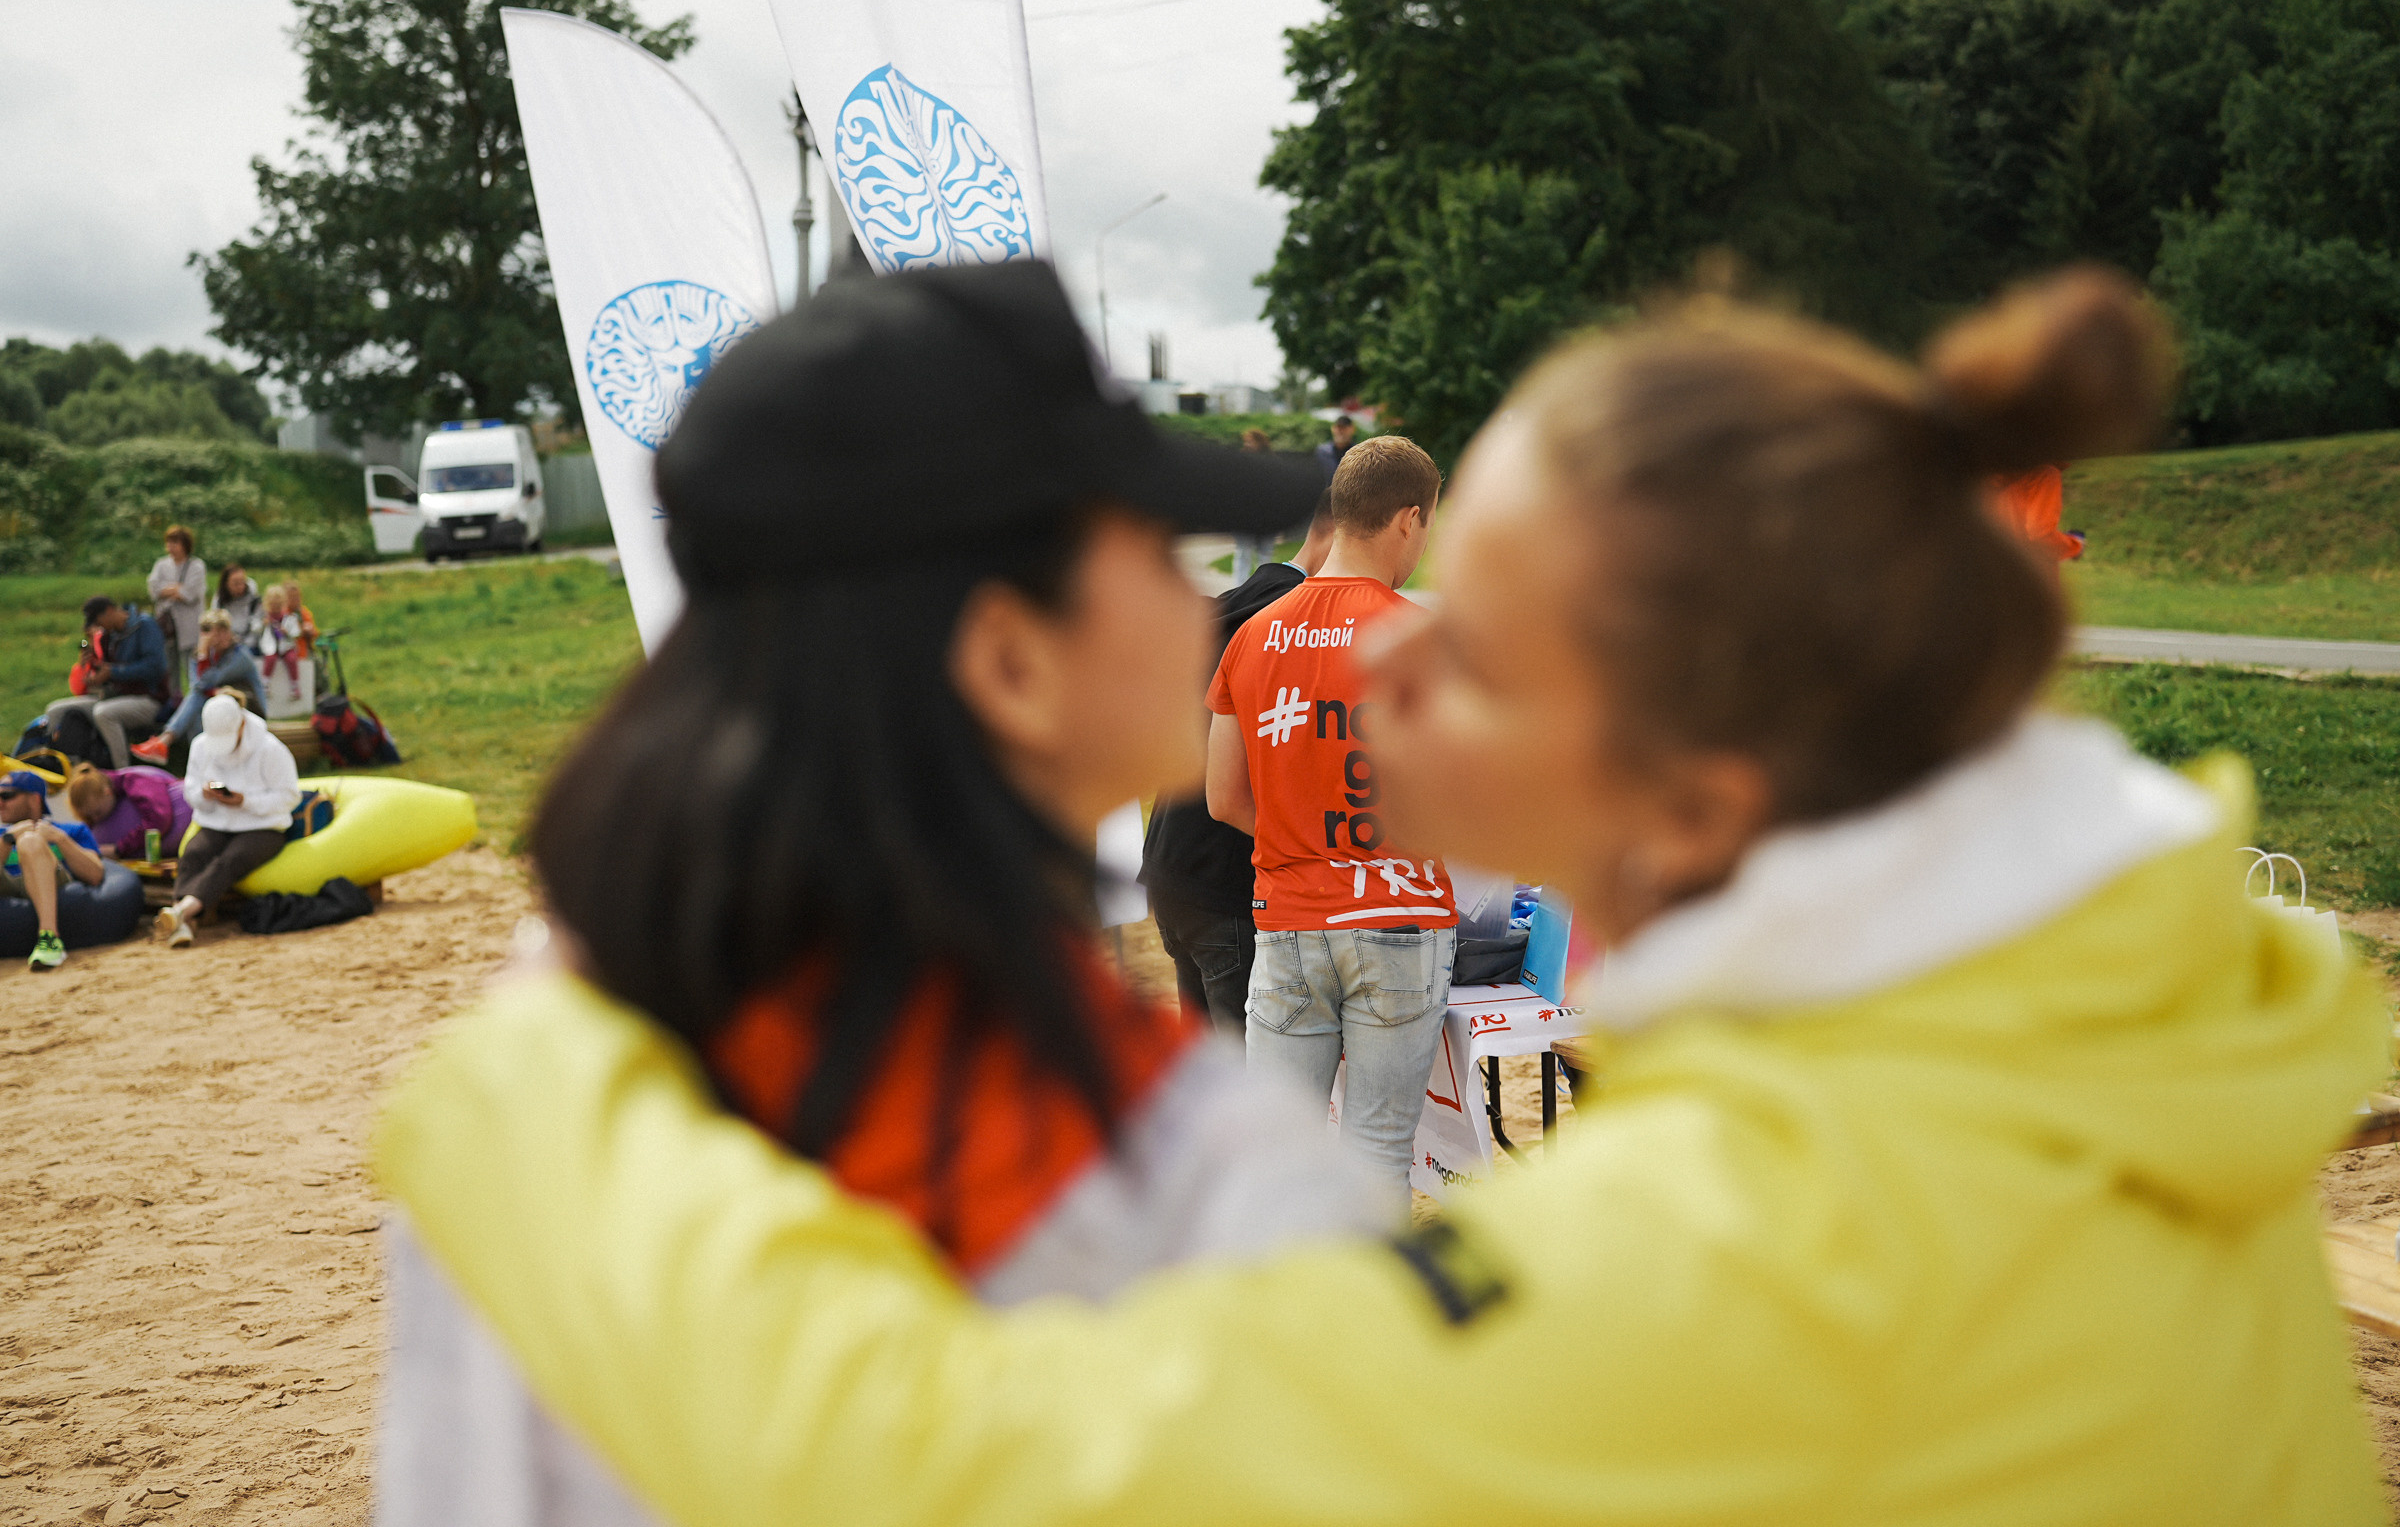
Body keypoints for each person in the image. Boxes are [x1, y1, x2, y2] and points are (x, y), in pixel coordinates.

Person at [376, 267, 2386, 1525]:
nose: (1379, 656)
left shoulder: (1768, 1238)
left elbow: (958, 1467)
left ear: (1698, 790)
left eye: (1477, 642)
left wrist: (529, 1100)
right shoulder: (2102, 1042)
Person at [370, 260, 1384, 1525]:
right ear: (1012, 660)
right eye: (1153, 547)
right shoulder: (1187, 1178)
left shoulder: (537, 1069)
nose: (1197, 602)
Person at [1206, 435, 1452, 1195]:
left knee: (1283, 1159)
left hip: (1288, 921)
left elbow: (1224, 798)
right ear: (1409, 519)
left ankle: (1290, 1310)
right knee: (1378, 1151)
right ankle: (1367, 1314)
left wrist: (1302, 834)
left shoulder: (1253, 633)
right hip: (1399, 916)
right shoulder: (1422, 639)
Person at [1143, 491, 1338, 1034]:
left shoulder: (1235, 600)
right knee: (1246, 1083)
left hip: (1172, 864)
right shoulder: (1294, 624)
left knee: (1211, 1080)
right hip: (1223, 874)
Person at [159, 694, 299, 949]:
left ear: (242, 724)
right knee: (194, 853)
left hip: (263, 827)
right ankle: (185, 923)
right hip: (217, 822)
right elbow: (190, 791)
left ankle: (182, 911)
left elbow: (289, 797)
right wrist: (205, 794)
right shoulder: (201, 746)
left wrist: (245, 801)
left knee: (231, 860)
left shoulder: (270, 748)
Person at [129, 609, 265, 766]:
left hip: (250, 708)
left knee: (197, 697)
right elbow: (198, 685)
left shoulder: (241, 655)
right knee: (196, 716)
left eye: (225, 630)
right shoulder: (201, 655)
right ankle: (203, 766)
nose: (223, 637)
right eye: (217, 633)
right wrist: (204, 662)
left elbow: (205, 683)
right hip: (220, 707)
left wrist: (203, 656)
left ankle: (165, 741)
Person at [0, 769, 105, 971]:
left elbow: (95, 874)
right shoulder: (3, 834)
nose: (0, 803)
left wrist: (59, 839)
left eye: (7, 796)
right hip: (9, 885)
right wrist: (8, 840)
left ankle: (49, 938)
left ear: (34, 799)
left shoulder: (72, 830)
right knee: (26, 838)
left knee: (30, 841)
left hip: (54, 882)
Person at [45, 596, 168, 768]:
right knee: (54, 710)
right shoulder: (107, 637)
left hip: (149, 699)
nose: (98, 626)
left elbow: (155, 667)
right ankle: (58, 768)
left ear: (109, 611)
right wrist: (92, 669)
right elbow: (105, 670)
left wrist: (114, 672)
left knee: (104, 713)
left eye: (98, 620)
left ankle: (123, 773)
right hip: (113, 697)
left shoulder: (145, 625)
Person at [65, 762, 191, 860]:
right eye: (90, 817)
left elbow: (159, 818)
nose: (96, 820)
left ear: (107, 793)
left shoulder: (135, 782)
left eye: (97, 812)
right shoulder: (106, 794)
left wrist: (119, 849)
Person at [146, 524, 206, 691]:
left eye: (175, 543)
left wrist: (168, 589)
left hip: (189, 624)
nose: (170, 547)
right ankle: (174, 701)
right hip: (167, 625)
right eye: (169, 543)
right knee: (170, 666)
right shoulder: (161, 565)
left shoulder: (196, 566)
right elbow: (153, 588)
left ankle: (195, 699)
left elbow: (190, 593)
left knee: (192, 665)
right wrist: (176, 587)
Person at [214, 563, 264, 650]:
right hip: (226, 644)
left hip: (250, 645)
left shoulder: (254, 600)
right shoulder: (219, 601)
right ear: (226, 584)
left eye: (242, 582)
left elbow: (257, 626)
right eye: (235, 583)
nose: (240, 587)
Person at [1313, 412, 1357, 484]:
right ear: (1333, 429)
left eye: (1344, 428)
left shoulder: (1357, 453)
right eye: (1338, 428)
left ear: (1352, 429)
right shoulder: (1322, 452)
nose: (1341, 431)